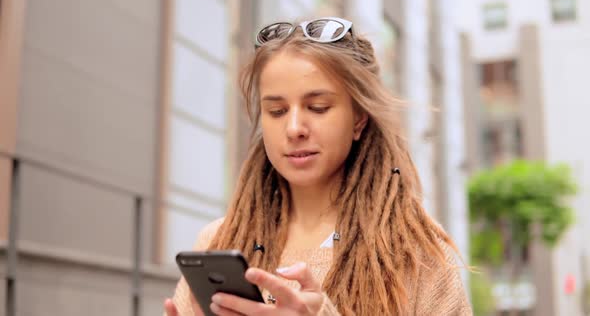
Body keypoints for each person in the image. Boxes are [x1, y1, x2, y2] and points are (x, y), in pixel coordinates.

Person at [164, 17, 472, 316]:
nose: (294, 127)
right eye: (277, 110)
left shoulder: (415, 250)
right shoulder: (219, 240)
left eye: (318, 107)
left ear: (359, 119)